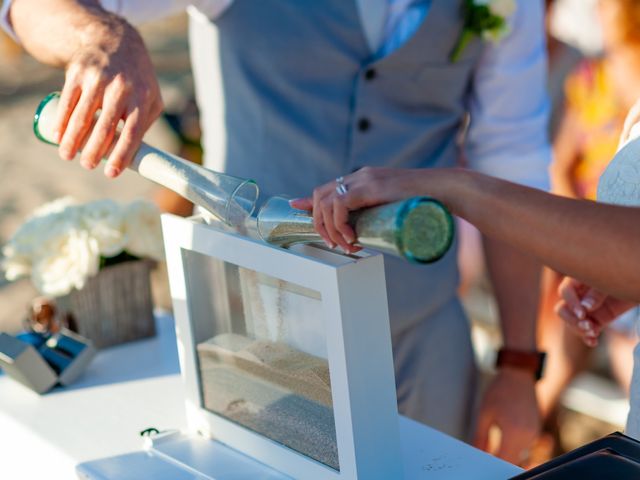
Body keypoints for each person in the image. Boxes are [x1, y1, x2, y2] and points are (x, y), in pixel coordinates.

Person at [2, 0, 551, 463]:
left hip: (423, 342)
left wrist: (519, 366)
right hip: (252, 344)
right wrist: (102, 35)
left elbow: (511, 163)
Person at [536, 0, 640, 449]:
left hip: (617, 252)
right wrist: (571, 233)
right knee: (565, 311)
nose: (598, 9)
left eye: (608, 3)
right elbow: (558, 166)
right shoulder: (590, 78)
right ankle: (535, 422)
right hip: (585, 232)